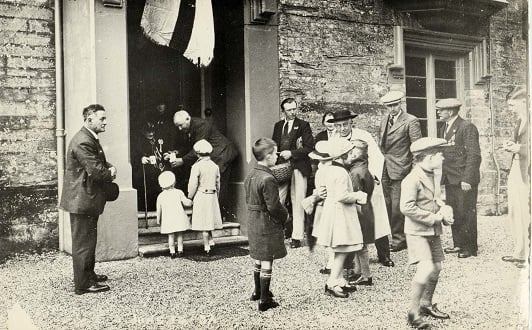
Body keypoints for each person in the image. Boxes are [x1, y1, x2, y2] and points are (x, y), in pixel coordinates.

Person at [59, 104, 117, 295]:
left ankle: (89, 274)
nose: (105, 122)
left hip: (85, 199)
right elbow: (96, 171)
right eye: (102, 118)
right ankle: (83, 284)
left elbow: (96, 161)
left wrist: (107, 167)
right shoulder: (83, 140)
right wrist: (110, 172)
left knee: (88, 240)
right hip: (82, 199)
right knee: (84, 242)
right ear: (89, 119)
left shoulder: (88, 137)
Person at [328, 110, 394, 267]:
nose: (342, 128)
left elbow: (377, 156)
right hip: (347, 183)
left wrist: (373, 176)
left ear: (352, 123)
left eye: (345, 124)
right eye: (339, 125)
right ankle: (349, 258)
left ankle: (384, 254)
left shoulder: (363, 135)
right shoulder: (333, 139)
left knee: (376, 217)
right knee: (351, 219)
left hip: (367, 180)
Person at [400, 137, 454, 329]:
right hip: (417, 232)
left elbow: (434, 198)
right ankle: (413, 313)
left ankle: (426, 304)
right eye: (440, 155)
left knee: (437, 267)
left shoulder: (432, 173)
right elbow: (406, 207)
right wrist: (434, 218)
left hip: (432, 230)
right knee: (425, 268)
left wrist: (444, 209)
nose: (442, 158)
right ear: (429, 157)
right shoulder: (412, 179)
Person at [313, 139, 366, 298]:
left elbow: (324, 190)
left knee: (339, 248)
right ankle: (332, 283)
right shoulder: (341, 172)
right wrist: (358, 195)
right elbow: (342, 196)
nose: (352, 156)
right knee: (342, 249)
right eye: (349, 154)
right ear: (342, 155)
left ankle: (340, 280)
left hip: (333, 211)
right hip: (340, 214)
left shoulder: (329, 169)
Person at [245, 137, 289, 312]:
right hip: (266, 222)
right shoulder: (268, 178)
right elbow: (273, 206)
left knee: (258, 257)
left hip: (253, 220)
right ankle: (264, 300)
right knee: (267, 260)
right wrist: (285, 216)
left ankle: (257, 291)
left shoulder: (251, 174)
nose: (277, 156)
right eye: (275, 153)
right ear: (268, 156)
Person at [167, 110, 238, 217]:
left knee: (218, 185)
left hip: (222, 155)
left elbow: (198, 147)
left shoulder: (201, 125)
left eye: (180, 125)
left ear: (188, 119)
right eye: (177, 126)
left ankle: (218, 217)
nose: (179, 129)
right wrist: (176, 153)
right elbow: (191, 146)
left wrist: (182, 160)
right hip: (214, 156)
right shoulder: (190, 127)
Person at [436, 98, 481, 259]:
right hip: (450, 178)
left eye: (441, 110)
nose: (438, 112)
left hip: (463, 179)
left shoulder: (466, 127)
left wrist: (467, 179)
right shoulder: (444, 127)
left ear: (451, 111)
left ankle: (469, 247)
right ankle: (458, 243)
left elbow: (474, 155)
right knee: (454, 211)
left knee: (466, 212)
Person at [378, 91, 422, 252]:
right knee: (387, 204)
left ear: (401, 103)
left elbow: (417, 149)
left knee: (398, 206)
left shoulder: (411, 121)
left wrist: (413, 171)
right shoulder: (384, 120)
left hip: (402, 169)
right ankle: (394, 235)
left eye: (395, 105)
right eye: (389, 106)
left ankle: (399, 240)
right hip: (385, 167)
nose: (392, 109)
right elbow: (382, 145)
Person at [272, 98, 315, 248]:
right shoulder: (278, 126)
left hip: (298, 167)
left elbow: (309, 147)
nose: (292, 112)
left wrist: (291, 153)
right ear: (283, 111)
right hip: (281, 169)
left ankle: (296, 237)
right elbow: (274, 145)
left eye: (294, 109)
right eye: (289, 110)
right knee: (277, 201)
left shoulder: (303, 125)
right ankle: (276, 234)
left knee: (298, 201)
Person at [501, 86, 530, 268]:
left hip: (527, 170)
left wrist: (519, 148)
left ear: (524, 102)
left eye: (513, 105)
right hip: (517, 168)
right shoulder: (520, 121)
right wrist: (512, 144)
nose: (510, 109)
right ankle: (520, 251)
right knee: (515, 210)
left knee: (527, 212)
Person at [344, 139, 375, 286]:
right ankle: (359, 271)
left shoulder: (356, 172)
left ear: (356, 152)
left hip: (359, 210)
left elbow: (355, 194)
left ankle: (365, 275)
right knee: (360, 243)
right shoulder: (363, 168)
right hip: (366, 208)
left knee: (360, 244)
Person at [188, 139, 223, 256]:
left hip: (201, 195)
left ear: (197, 153)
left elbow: (193, 184)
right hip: (212, 195)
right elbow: (218, 183)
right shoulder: (215, 166)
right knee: (210, 219)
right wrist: (216, 195)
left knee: (204, 222)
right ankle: (211, 242)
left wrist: (190, 196)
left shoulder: (196, 166)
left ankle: (206, 246)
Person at [132, 121, 168, 211]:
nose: (151, 133)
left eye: (152, 131)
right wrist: (141, 159)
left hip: (159, 170)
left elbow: (163, 151)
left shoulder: (158, 141)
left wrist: (166, 154)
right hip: (147, 173)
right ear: (143, 131)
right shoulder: (138, 142)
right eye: (148, 131)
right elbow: (134, 156)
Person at [156, 171, 193, 258]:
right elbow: (186, 203)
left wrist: (158, 220)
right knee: (179, 234)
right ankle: (180, 250)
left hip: (168, 219)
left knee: (171, 236)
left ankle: (172, 251)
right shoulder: (179, 192)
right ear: (173, 182)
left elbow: (159, 209)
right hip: (178, 217)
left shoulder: (161, 196)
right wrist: (191, 202)